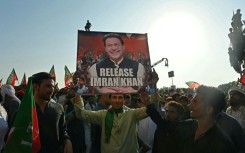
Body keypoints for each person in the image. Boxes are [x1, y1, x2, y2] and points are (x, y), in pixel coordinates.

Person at [147, 73, 236, 153]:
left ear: (209, 109)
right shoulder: (188, 126)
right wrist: (150, 95)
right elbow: (163, 124)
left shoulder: (223, 145)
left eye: (195, 102)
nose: (190, 105)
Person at [73, 92, 151, 153]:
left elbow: (152, 110)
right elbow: (81, 114)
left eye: (120, 97)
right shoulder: (103, 115)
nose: (117, 100)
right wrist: (78, 93)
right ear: (110, 100)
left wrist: (150, 95)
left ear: (124, 100)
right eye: (114, 97)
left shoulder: (132, 114)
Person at [32, 72, 73, 153]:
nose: (52, 90)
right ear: (36, 87)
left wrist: (67, 141)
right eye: (48, 86)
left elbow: (62, 130)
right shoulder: (25, 110)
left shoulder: (58, 108)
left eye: (53, 86)